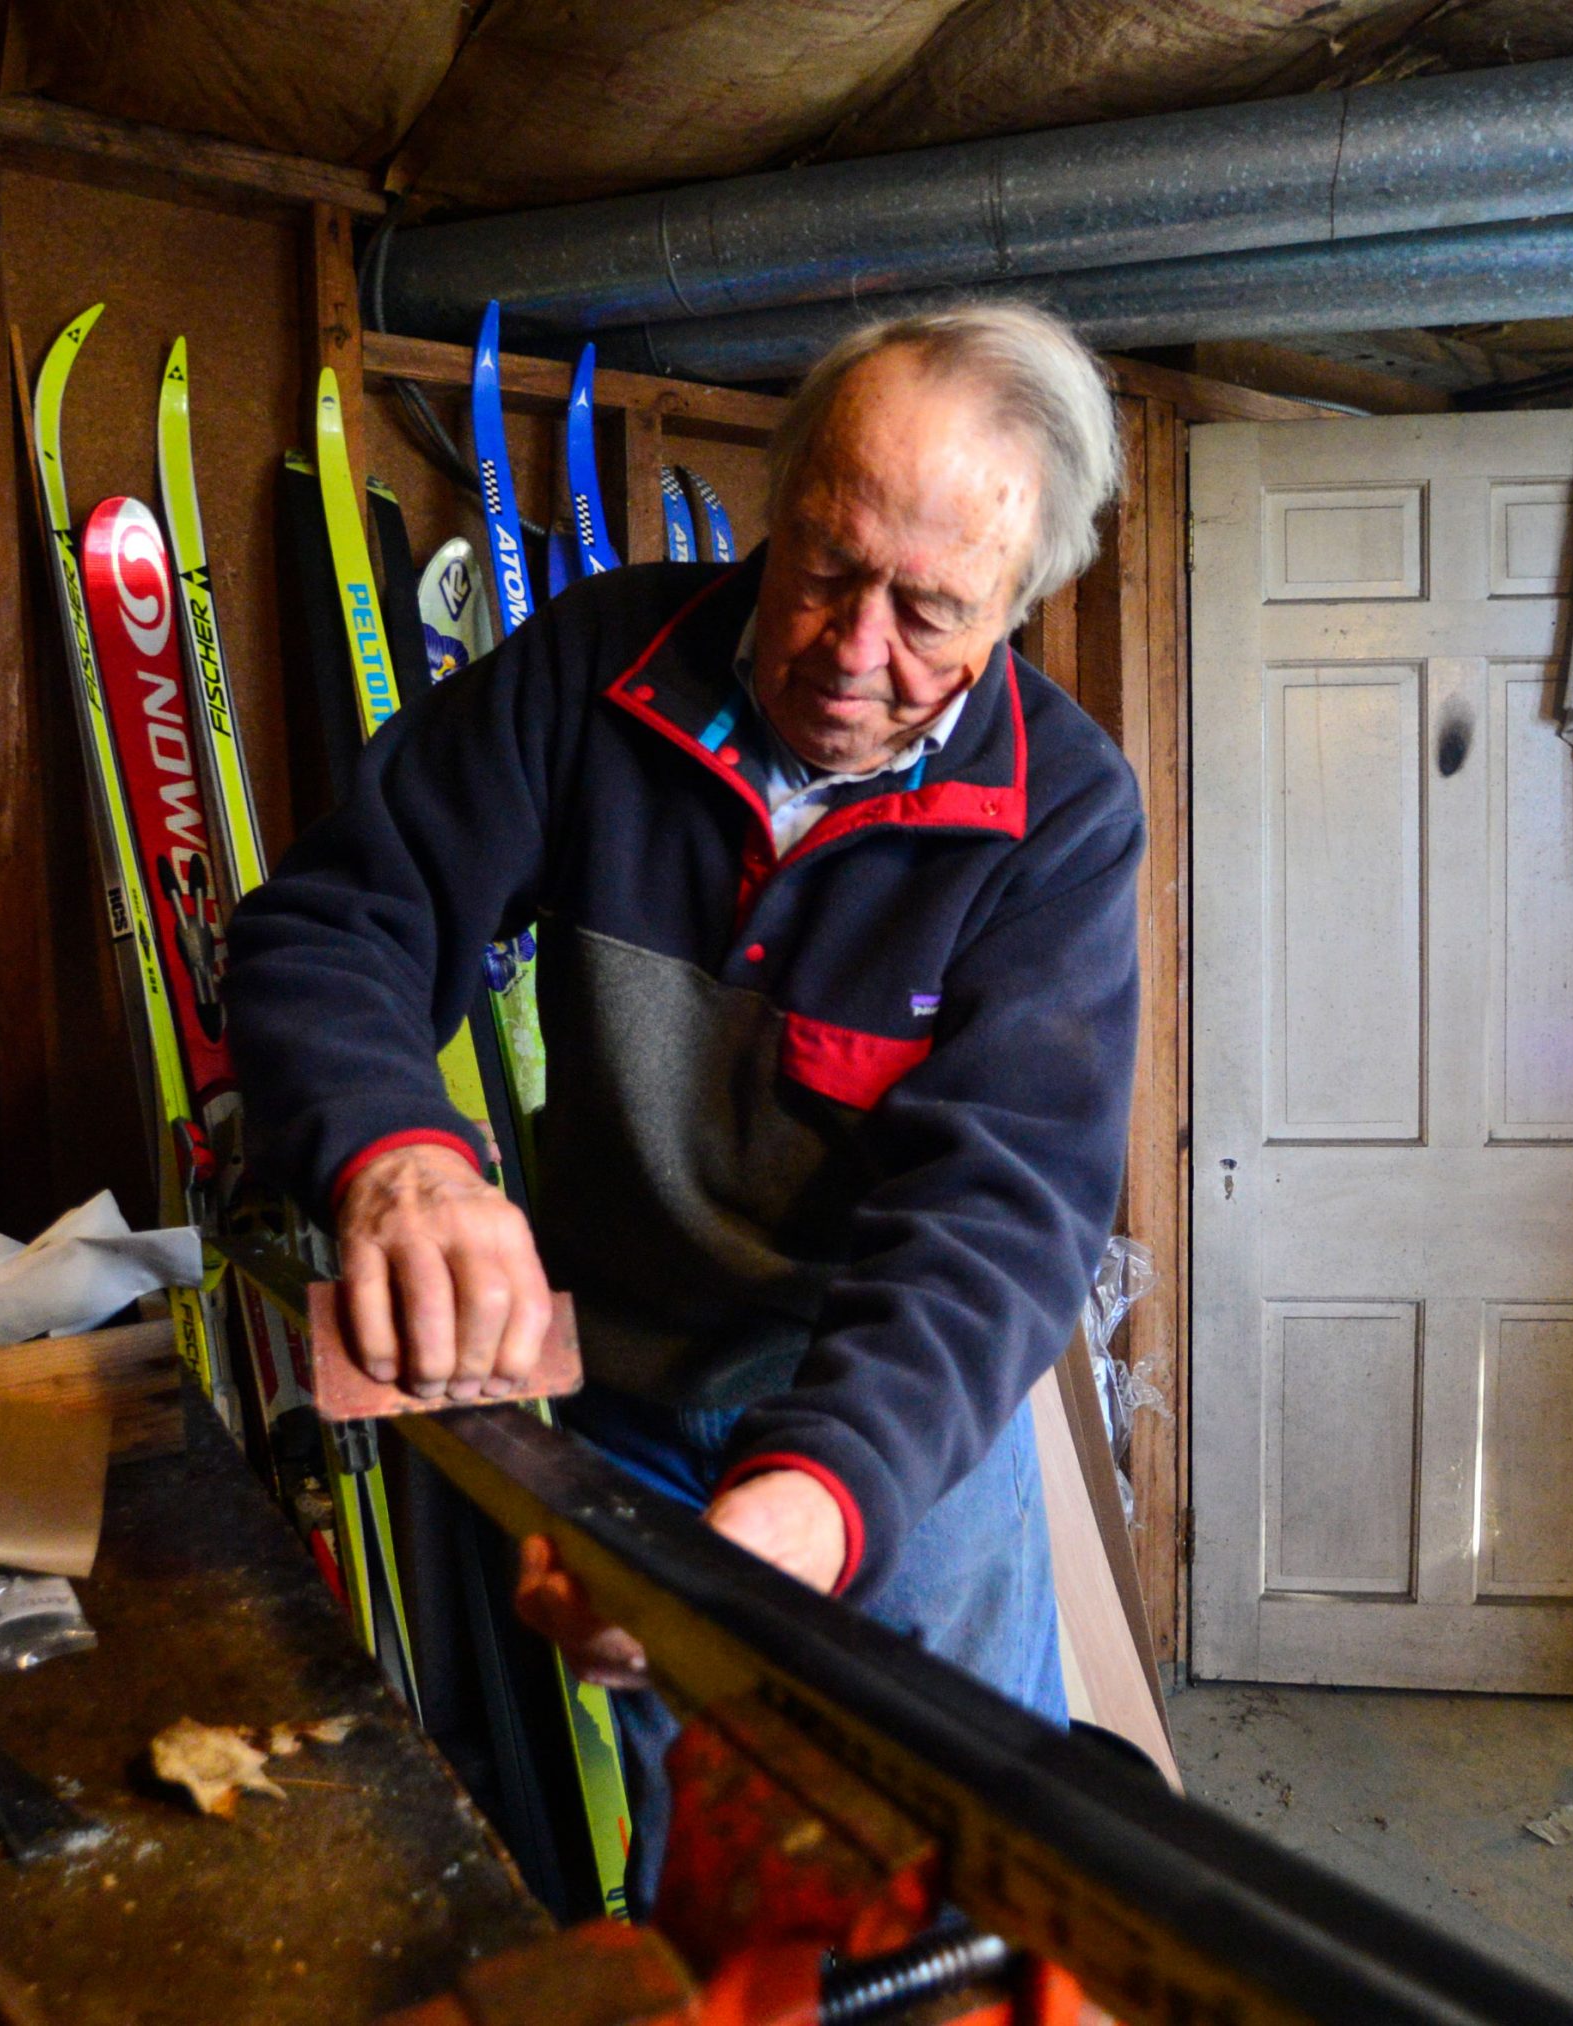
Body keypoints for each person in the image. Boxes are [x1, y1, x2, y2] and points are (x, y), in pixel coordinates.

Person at [226, 302, 1143, 1903]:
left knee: (964, 1890)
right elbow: (335, 923)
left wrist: (817, 1496)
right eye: (825, 567)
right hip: (630, 1403)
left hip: (892, 1430)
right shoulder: (598, 669)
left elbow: (1002, 1214)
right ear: (781, 503)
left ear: (1017, 605)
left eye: (930, 612)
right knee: (719, 1880)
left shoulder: (1058, 816)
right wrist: (396, 1159)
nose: (853, 652)